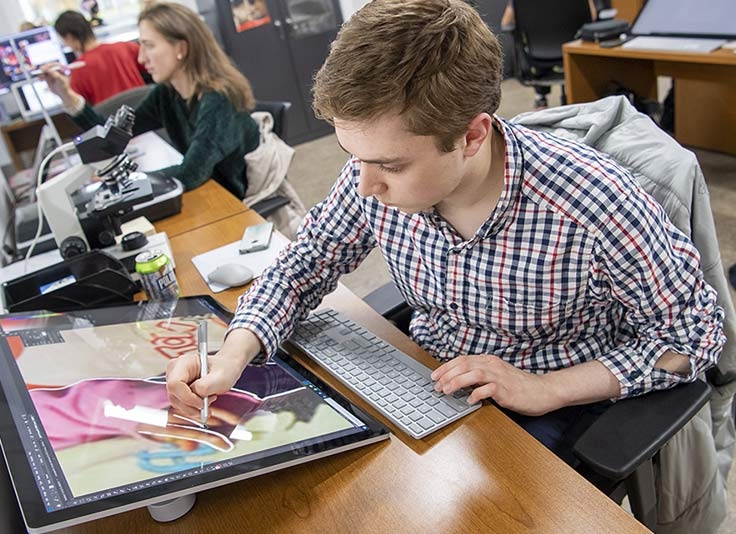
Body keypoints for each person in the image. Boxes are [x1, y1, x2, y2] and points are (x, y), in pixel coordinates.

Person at [165, 0, 725, 468]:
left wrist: (547, 389)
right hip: (426, 376)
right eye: (351, 156)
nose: (364, 186)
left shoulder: (595, 205)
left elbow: (694, 337)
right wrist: (233, 356)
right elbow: (304, 263)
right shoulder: (373, 172)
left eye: (390, 165)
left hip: (542, 404)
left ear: (473, 135)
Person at [43, 2, 259, 196]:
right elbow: (112, 137)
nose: (141, 57)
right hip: (208, 194)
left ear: (181, 48)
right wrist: (68, 97)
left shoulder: (218, 100)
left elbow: (191, 173)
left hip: (237, 203)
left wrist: (124, 180)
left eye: (149, 46)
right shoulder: (167, 94)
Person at [501, 0, 597, 108]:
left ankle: (540, 96)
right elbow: (592, 17)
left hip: (538, 54)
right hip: (574, 50)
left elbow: (506, 23)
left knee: (536, 44)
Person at [53, 10, 146, 105]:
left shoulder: (78, 69)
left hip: (110, 118)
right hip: (147, 112)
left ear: (69, 37)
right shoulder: (126, 48)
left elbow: (77, 106)